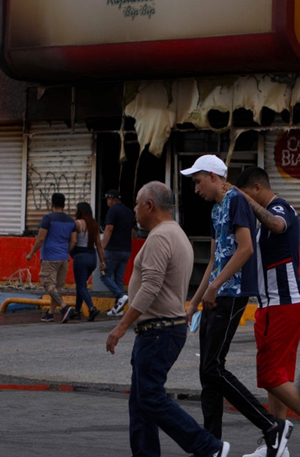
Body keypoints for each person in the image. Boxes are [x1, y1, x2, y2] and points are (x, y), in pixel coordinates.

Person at [106, 181, 230, 457]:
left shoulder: (160, 237)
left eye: (137, 204)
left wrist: (121, 326)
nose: (135, 210)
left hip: (158, 331)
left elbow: (150, 286)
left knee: (150, 397)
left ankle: (209, 447)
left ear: (149, 205)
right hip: (161, 329)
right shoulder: (175, 232)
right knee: (141, 402)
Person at [181, 155, 292, 457]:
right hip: (216, 294)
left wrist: (216, 287)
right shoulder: (216, 209)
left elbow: (245, 249)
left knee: (213, 367)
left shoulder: (236, 201)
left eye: (198, 181)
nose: (196, 189)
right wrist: (193, 303)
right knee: (207, 373)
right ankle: (211, 444)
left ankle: (271, 426)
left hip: (233, 292)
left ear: (213, 177)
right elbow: (214, 262)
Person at [236, 167, 300, 457]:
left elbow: (277, 225)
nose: (242, 202)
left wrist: (245, 200)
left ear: (257, 189)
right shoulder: (262, 215)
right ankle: (276, 442)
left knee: (270, 376)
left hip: (282, 304)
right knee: (277, 377)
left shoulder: (279, 208)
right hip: (274, 304)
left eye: (245, 195)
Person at [27, 192, 76, 323]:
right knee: (58, 288)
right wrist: (65, 251)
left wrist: (31, 253)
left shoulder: (47, 218)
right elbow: (74, 241)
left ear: (52, 204)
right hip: (64, 258)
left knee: (48, 284)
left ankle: (64, 307)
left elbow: (40, 239)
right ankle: (50, 313)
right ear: (64, 204)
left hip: (50, 257)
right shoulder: (70, 220)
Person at [69, 202, 105, 322]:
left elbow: (73, 241)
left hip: (80, 257)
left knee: (80, 286)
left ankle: (91, 308)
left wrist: (67, 251)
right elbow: (98, 244)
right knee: (82, 284)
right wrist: (102, 261)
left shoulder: (77, 223)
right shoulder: (94, 224)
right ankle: (76, 311)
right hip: (92, 257)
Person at [101, 189, 135, 317]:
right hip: (126, 249)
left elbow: (109, 228)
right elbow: (132, 231)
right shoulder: (129, 211)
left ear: (111, 200)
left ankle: (120, 296)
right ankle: (118, 308)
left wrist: (103, 247)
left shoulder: (113, 210)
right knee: (119, 277)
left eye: (108, 200)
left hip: (113, 249)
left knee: (104, 276)